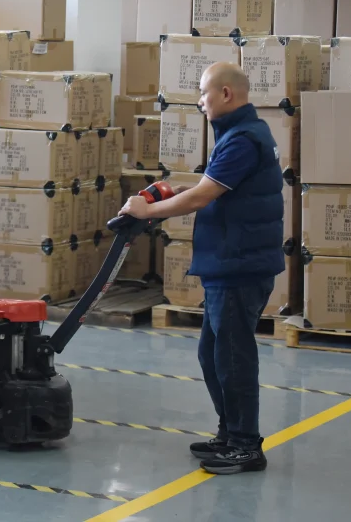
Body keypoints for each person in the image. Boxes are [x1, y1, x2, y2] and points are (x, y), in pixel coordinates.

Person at [119, 61, 285, 475]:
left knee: (231, 356)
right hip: (229, 261)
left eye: (204, 93)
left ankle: (246, 445)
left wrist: (149, 209)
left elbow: (202, 198)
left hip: (239, 264)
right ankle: (230, 434)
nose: (200, 101)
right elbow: (211, 188)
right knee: (212, 354)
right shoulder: (238, 135)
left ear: (226, 94)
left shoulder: (243, 139)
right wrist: (174, 192)